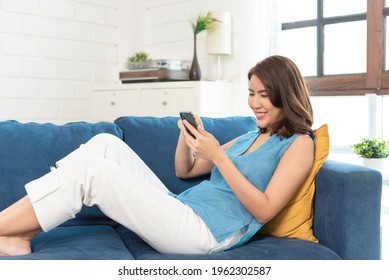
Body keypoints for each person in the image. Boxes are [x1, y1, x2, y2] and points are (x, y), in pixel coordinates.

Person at [0, 55, 314, 256]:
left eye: (264, 95)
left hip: (204, 233)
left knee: (91, 171)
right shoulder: (250, 136)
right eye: (251, 93)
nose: (255, 103)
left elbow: (265, 211)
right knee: (104, 144)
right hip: (182, 210)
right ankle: (17, 236)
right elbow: (186, 171)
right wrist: (185, 136)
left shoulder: (299, 143)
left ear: (285, 95)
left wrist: (219, 157)